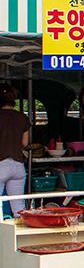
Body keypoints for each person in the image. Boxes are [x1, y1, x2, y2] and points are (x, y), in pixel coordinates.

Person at [0, 86, 30, 218]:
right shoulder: (22, 117)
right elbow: (25, 143)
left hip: (1, 163)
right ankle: (21, 230)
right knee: (18, 207)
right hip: (18, 166)